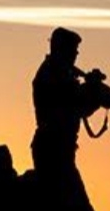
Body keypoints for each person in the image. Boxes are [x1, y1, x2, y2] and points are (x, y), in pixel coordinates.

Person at [30, 27, 102, 179]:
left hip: (60, 149)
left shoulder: (61, 73)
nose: (76, 54)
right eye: (73, 49)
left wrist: (94, 92)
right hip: (53, 149)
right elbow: (75, 106)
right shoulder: (52, 74)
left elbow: (77, 105)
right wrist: (94, 92)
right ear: (62, 49)